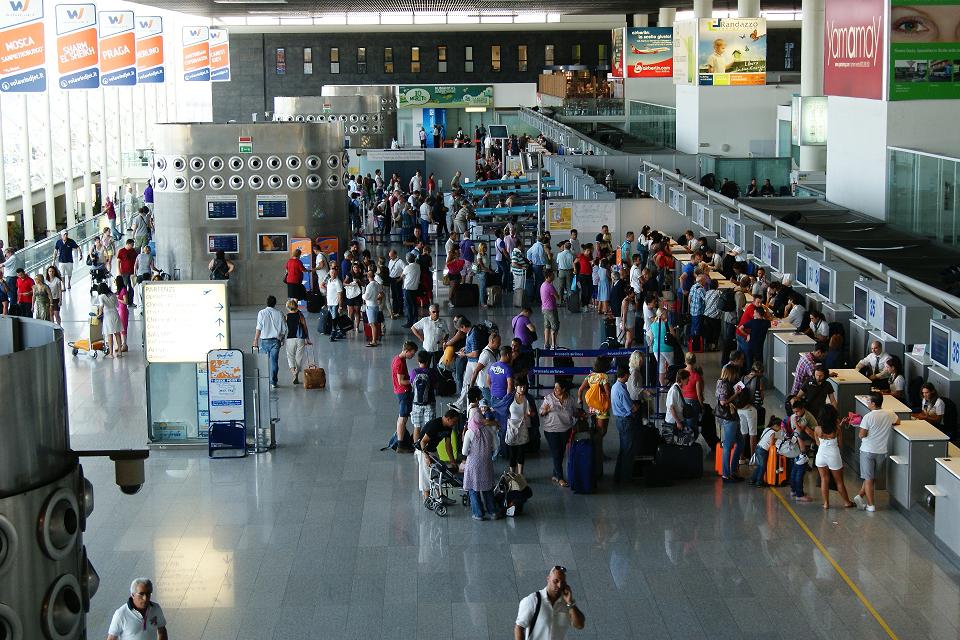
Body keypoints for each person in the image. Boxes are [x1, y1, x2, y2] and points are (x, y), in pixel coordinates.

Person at [854, 393, 900, 512]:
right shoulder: (889, 413)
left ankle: (871, 505)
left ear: (873, 404)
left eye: (868, 401)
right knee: (871, 477)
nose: (867, 402)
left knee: (868, 478)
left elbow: (861, 435)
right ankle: (859, 496)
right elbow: (897, 421)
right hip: (881, 451)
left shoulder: (868, 417)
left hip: (867, 450)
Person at [514, 566, 585, 639]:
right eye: (555, 581)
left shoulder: (567, 604)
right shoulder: (532, 600)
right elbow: (519, 627)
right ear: (548, 579)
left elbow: (580, 625)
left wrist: (570, 603)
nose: (559, 585)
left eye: (562, 582)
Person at [462, 387, 500, 521]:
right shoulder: (488, 431)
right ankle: (492, 511)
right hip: (487, 463)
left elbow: (464, 451)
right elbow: (496, 447)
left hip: (473, 464)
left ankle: (478, 513)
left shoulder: (470, 432)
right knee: (487, 487)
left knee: (473, 488)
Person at [814, 405, 856, 509]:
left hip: (820, 456)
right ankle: (847, 502)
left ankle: (826, 504)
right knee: (839, 481)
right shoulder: (836, 428)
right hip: (833, 455)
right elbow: (840, 444)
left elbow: (817, 442)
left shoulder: (817, 429)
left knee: (824, 479)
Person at [415, 410, 460, 504]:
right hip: (423, 450)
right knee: (426, 475)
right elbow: (423, 442)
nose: (455, 424)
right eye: (454, 422)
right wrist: (426, 456)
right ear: (448, 419)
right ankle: (427, 498)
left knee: (437, 474)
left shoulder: (448, 427)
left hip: (433, 450)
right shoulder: (435, 425)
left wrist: (452, 461)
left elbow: (448, 445)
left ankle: (440, 496)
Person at [540, 381, 576, 488]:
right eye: (554, 388)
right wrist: (545, 411)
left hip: (566, 429)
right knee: (556, 453)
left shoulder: (570, 399)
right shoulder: (548, 398)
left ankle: (555, 473)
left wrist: (582, 414)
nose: (555, 390)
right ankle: (560, 478)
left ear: (564, 389)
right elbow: (541, 413)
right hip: (551, 430)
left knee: (560, 452)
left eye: (557, 388)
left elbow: (574, 412)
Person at [716, 364, 742, 483]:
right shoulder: (724, 385)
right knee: (727, 445)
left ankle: (733, 470)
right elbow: (723, 402)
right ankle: (726, 474)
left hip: (732, 416)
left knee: (740, 442)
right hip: (728, 418)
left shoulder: (724, 383)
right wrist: (736, 394)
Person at [788, 397, 818, 502]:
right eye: (794, 411)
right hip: (801, 446)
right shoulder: (795, 417)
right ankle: (799, 494)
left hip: (803, 443)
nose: (796, 414)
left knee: (796, 468)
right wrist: (796, 423)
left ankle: (794, 490)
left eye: (797, 411)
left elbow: (802, 431)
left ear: (802, 409)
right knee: (799, 469)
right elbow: (799, 432)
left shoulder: (806, 416)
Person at [252, 295, 285, 388]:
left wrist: (255, 340)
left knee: (263, 362)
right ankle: (273, 382)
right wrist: (282, 339)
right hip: (276, 341)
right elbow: (284, 329)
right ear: (275, 303)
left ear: (267, 303)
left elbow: (259, 327)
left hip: (264, 341)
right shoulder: (280, 313)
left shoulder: (261, 313)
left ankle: (263, 380)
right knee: (274, 362)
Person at [392, 341, 419, 453]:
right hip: (404, 391)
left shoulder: (397, 358)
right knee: (403, 418)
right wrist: (413, 381)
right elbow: (401, 381)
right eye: (412, 353)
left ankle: (401, 441)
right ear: (406, 351)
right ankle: (401, 444)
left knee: (402, 417)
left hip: (400, 391)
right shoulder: (400, 363)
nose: (413, 356)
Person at [506, 380, 534, 475]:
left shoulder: (527, 399)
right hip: (511, 427)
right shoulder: (510, 398)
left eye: (524, 387)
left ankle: (520, 475)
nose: (522, 389)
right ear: (515, 387)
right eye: (520, 387)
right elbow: (503, 408)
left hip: (523, 427)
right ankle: (512, 475)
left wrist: (530, 413)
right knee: (512, 453)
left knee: (521, 452)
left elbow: (532, 414)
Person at [749, 416, 783, 487]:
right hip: (763, 451)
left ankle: (752, 479)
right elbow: (771, 444)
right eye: (780, 427)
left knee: (759, 466)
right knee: (762, 467)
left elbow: (766, 438)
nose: (780, 429)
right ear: (775, 426)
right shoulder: (772, 432)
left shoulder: (767, 429)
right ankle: (759, 482)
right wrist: (776, 442)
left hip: (758, 448)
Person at [284, 298, 311, 385]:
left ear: (288, 307)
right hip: (300, 338)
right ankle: (297, 371)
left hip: (290, 338)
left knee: (290, 356)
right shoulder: (300, 315)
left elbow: (285, 329)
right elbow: (305, 327)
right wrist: (307, 338)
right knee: (299, 357)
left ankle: (293, 372)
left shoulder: (287, 316)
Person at [321, 263, 346, 342]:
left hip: (335, 303)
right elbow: (327, 289)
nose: (333, 274)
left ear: (336, 273)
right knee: (335, 318)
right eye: (331, 273)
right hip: (330, 303)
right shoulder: (329, 281)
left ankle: (334, 333)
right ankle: (342, 331)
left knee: (334, 319)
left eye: (334, 273)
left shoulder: (338, 282)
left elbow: (340, 294)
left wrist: (340, 306)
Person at [97, 282, 122, 358]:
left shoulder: (101, 296)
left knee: (109, 334)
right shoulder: (113, 295)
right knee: (117, 333)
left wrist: (99, 314)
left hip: (107, 315)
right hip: (115, 314)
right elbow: (117, 305)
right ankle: (120, 351)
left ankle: (111, 353)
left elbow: (101, 305)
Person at [362, 266, 384, 347]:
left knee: (372, 324)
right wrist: (377, 298)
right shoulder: (376, 284)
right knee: (374, 323)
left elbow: (366, 297)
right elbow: (381, 294)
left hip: (370, 306)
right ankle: (375, 339)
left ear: (368, 277)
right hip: (375, 305)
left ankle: (374, 340)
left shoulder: (369, 286)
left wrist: (363, 296)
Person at [540, 270, 560, 349]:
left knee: (547, 326)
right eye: (552, 275)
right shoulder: (549, 286)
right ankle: (553, 345)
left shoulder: (543, 285)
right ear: (548, 277)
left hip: (544, 308)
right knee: (554, 327)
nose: (554, 276)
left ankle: (546, 344)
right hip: (551, 309)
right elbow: (557, 297)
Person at [401, 253, 421, 328]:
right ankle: (415, 320)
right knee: (414, 305)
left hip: (408, 289)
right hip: (415, 288)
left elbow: (402, 275)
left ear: (407, 260)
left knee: (408, 306)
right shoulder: (418, 266)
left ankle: (409, 322)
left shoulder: (407, 267)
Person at [114, 275, 131, 352]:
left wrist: (118, 299)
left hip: (123, 310)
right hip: (118, 310)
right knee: (118, 328)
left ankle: (124, 344)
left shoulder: (123, 290)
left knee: (123, 328)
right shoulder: (119, 290)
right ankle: (119, 344)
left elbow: (126, 302)